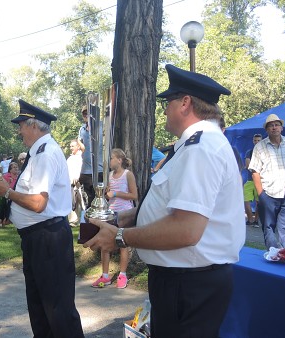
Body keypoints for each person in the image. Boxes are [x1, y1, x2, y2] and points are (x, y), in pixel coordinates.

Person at [84, 64, 245, 338]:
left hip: (188, 283)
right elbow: (175, 206)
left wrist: (121, 237)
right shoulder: (194, 145)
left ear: (185, 103)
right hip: (185, 281)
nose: (164, 111)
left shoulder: (201, 147)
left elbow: (186, 229)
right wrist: (128, 217)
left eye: (167, 103)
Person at [0, 99, 84, 337]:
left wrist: (8, 193)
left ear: (33, 126)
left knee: (57, 309)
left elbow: (38, 203)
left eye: (21, 125)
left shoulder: (44, 154)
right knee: (41, 306)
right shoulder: (39, 152)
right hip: (40, 238)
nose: (19, 131)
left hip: (47, 239)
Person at [249, 113, 285, 249]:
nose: (274, 127)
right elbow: (255, 172)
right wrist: (261, 194)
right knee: (268, 227)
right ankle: (273, 255)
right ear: (267, 130)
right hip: (268, 193)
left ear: (281, 128)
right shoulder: (260, 147)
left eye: (276, 125)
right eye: (271, 126)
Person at [91, 148, 138, 289]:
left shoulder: (128, 175)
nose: (109, 161)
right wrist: (106, 194)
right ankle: (105, 276)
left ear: (119, 159)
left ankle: (122, 275)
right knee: (105, 244)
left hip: (125, 213)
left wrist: (116, 193)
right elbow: (108, 195)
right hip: (110, 213)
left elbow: (134, 195)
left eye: (111, 158)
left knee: (123, 244)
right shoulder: (109, 175)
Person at [77, 106, 103, 207]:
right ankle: (89, 221)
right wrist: (80, 143)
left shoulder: (102, 126)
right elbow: (79, 140)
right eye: (84, 114)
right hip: (85, 171)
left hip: (100, 170)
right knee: (88, 202)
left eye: (89, 113)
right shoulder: (82, 128)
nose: (86, 116)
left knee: (99, 200)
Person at [244, 134, 262, 227]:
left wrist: (253, 168)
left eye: (258, 140)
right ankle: (250, 219)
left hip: (261, 180)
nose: (256, 142)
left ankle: (256, 220)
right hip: (250, 180)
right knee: (246, 200)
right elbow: (248, 166)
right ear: (253, 141)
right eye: (255, 140)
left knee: (259, 201)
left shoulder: (265, 152)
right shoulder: (249, 152)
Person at [66, 139, 83, 226]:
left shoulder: (80, 157)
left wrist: (77, 177)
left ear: (78, 146)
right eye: (70, 146)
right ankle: (73, 220)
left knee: (82, 201)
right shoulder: (70, 158)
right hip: (70, 182)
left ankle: (83, 219)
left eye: (73, 146)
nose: (71, 148)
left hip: (79, 182)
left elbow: (80, 168)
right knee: (73, 201)